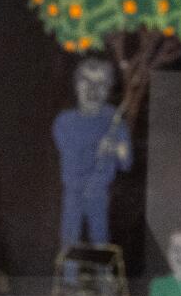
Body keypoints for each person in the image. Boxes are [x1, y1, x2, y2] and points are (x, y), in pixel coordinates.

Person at [52, 55, 131, 254]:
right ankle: (68, 281)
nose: (93, 90)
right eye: (86, 82)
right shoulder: (63, 122)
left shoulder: (114, 119)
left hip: (100, 194)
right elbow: (73, 154)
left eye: (101, 84)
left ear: (108, 89)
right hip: (74, 192)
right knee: (69, 240)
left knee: (100, 241)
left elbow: (126, 161)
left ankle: (103, 282)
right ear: (76, 85)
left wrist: (115, 147)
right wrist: (98, 145)